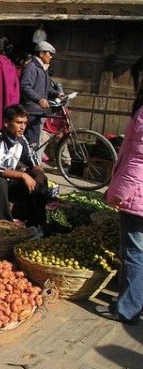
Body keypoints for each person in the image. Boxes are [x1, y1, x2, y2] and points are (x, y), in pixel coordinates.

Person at [96, 58, 143, 324]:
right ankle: (134, 301)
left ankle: (128, 308)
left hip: (138, 194)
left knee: (135, 253)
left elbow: (138, 160)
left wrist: (118, 193)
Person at [20, 40, 62, 154]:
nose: (51, 57)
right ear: (41, 54)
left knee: (33, 141)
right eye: (49, 54)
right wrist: (38, 99)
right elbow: (25, 86)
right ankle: (26, 165)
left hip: (39, 111)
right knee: (31, 141)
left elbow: (47, 89)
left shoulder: (43, 69)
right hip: (31, 109)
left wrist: (57, 94)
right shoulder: (32, 67)